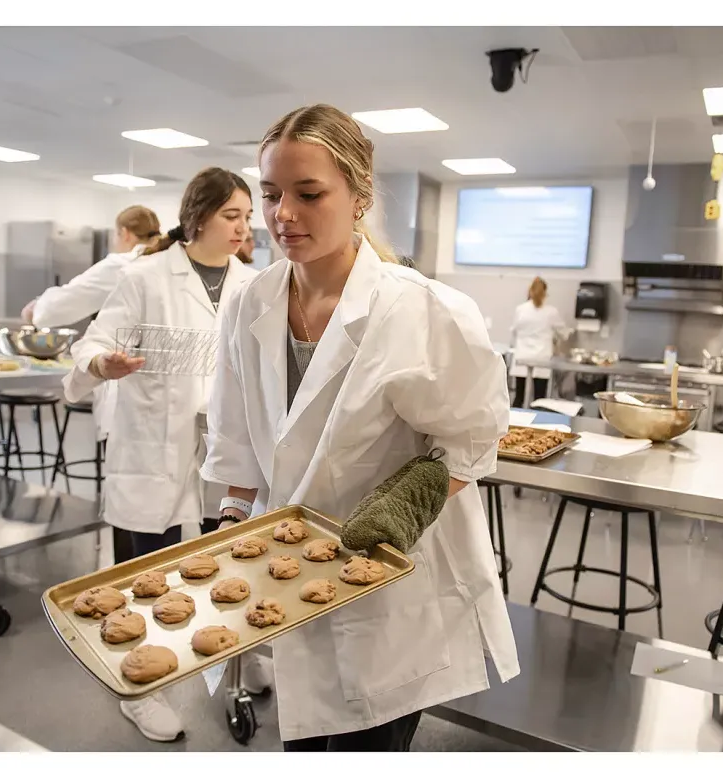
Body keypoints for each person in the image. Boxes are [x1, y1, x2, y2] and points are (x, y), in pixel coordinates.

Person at [201, 104, 519, 751]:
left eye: (308, 194)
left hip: (389, 593)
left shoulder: (422, 310)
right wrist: (232, 521)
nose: (283, 214)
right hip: (284, 580)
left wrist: (401, 506)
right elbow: (237, 440)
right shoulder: (251, 304)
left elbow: (474, 437)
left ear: (359, 196)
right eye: (270, 194)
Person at [62, 168, 265, 742]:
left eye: (247, 217)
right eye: (232, 215)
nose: (243, 228)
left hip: (221, 455)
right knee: (142, 577)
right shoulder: (146, 277)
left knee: (218, 569)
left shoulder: (255, 284)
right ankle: (139, 687)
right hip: (152, 449)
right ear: (197, 216)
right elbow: (94, 344)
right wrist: (105, 364)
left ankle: (229, 659)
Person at [21, 205, 161, 564]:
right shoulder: (165, 261)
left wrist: (36, 308)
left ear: (125, 233)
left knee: (134, 510)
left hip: (131, 396)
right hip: (158, 400)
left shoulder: (122, 263)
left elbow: (58, 306)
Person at [509, 277, 568, 408]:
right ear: (545, 293)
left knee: (519, 396)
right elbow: (563, 333)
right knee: (539, 399)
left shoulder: (521, 309)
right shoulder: (551, 311)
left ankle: (513, 423)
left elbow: (514, 331)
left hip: (522, 357)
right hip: (541, 358)